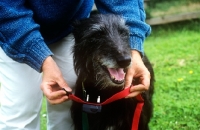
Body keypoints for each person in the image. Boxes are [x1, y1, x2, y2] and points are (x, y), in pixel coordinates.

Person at [0, 0, 151, 130]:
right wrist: (44, 62)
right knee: (20, 109)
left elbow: (122, 2)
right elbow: (7, 11)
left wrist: (134, 49)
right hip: (13, 30)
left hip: (69, 27)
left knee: (66, 100)